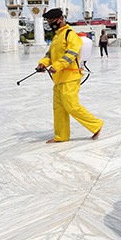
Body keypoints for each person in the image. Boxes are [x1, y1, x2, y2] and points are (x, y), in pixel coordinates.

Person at [36, 8, 104, 143]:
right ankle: (61, 136)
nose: (50, 23)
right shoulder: (57, 37)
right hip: (58, 79)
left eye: (52, 20)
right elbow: (50, 55)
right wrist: (43, 63)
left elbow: (72, 54)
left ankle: (96, 124)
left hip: (70, 77)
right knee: (59, 108)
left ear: (61, 19)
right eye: (48, 21)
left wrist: (57, 66)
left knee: (71, 106)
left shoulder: (70, 34)